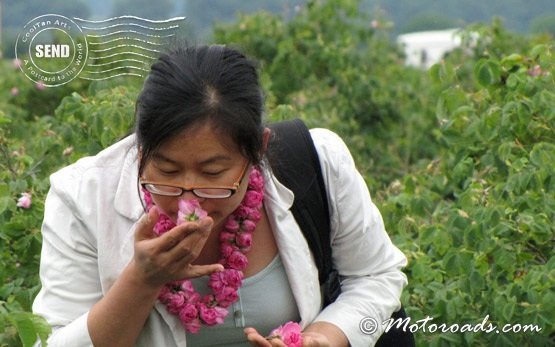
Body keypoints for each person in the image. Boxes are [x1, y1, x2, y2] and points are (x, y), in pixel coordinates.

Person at [32, 44, 408, 347]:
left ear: (258, 151)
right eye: (167, 171)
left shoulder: (319, 162)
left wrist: (326, 336)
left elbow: (375, 275)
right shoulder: (81, 196)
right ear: (141, 151)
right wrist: (142, 281)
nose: (188, 197)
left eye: (213, 173)